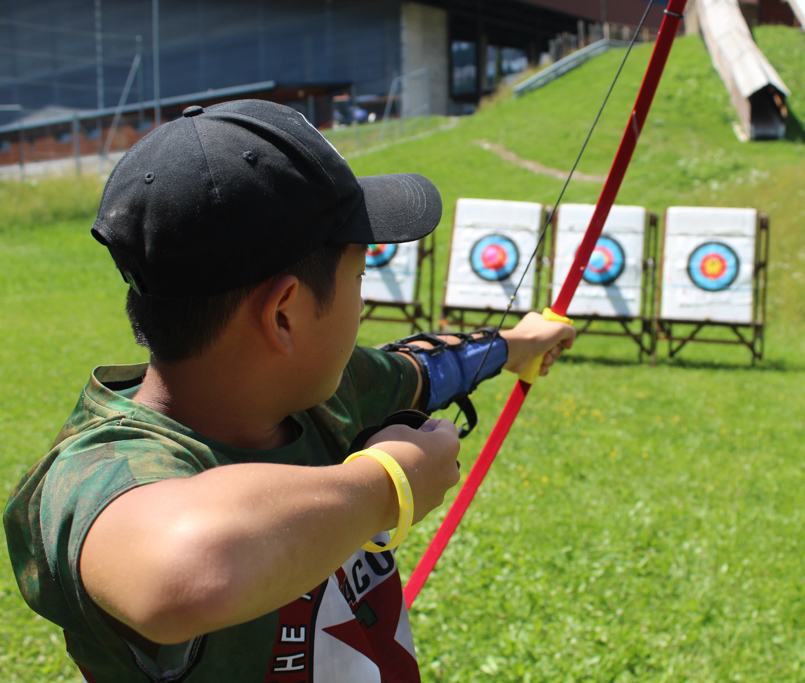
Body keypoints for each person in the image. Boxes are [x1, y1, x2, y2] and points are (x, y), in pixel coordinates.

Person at [3, 99, 575, 682]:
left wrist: (514, 345)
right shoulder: (100, 469)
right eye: (359, 276)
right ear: (284, 315)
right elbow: (184, 572)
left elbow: (423, 370)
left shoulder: (326, 390)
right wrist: (388, 483)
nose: (361, 301)